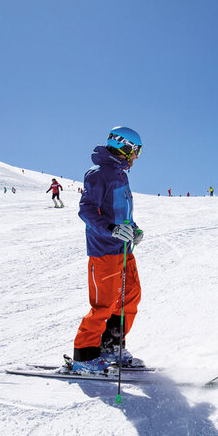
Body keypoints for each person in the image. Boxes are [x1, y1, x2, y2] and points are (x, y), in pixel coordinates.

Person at [71, 126, 146, 374]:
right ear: (124, 146)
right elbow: (87, 210)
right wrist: (111, 230)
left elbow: (120, 212)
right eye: (136, 151)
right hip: (104, 249)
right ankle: (84, 356)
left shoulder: (121, 175)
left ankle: (111, 346)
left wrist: (132, 229)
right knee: (104, 303)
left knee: (130, 296)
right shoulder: (98, 174)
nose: (136, 157)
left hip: (123, 249)